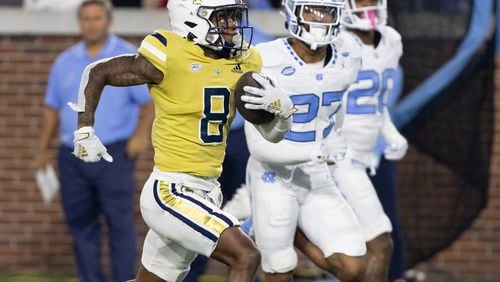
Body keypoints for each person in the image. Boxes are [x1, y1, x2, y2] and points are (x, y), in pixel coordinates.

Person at [68, 0, 297, 280]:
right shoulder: (169, 53)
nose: (233, 25)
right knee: (246, 255)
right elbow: (98, 71)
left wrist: (283, 113)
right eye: (223, 16)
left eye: (235, 16)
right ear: (191, 18)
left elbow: (271, 136)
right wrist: (85, 129)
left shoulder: (246, 61)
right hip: (171, 191)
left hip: (208, 190)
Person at [244, 0, 369, 280]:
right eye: (311, 9)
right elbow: (259, 147)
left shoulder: (350, 56)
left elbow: (334, 105)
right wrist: (317, 151)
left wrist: (336, 136)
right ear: (292, 11)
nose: (319, 18)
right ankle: (281, 232)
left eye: (326, 11)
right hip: (271, 176)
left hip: (315, 174)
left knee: (352, 268)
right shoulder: (263, 58)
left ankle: (295, 232)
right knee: (279, 268)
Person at [33, 1, 153, 281]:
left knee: (119, 222)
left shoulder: (126, 56)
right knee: (80, 223)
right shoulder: (64, 61)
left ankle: (125, 278)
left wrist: (140, 134)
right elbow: (52, 109)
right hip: (71, 154)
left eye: (97, 18)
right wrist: (43, 150)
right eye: (86, 18)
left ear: (108, 20)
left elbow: (149, 102)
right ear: (80, 22)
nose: (91, 23)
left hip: (112, 152)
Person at [331, 0, 408, 280]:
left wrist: (390, 134)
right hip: (335, 155)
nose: (370, 6)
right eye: (362, 1)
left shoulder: (391, 41)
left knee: (380, 236)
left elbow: (376, 105)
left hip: (371, 153)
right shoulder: (331, 41)